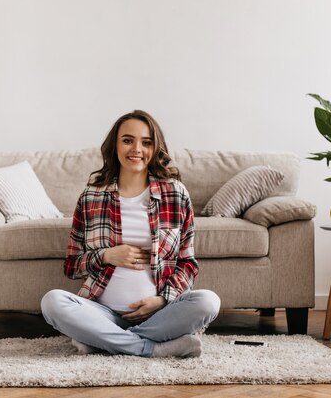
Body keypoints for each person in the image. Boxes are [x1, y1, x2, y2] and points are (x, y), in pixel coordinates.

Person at [41, 110, 220, 358]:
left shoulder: (175, 193)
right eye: (127, 140)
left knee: (208, 302)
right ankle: (153, 348)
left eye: (146, 142)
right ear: (114, 145)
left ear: (155, 148)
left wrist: (163, 301)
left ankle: (101, 341)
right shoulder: (92, 196)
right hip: (102, 313)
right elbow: (72, 266)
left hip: (159, 315)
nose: (136, 149)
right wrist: (106, 255)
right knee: (52, 302)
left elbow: (187, 264)